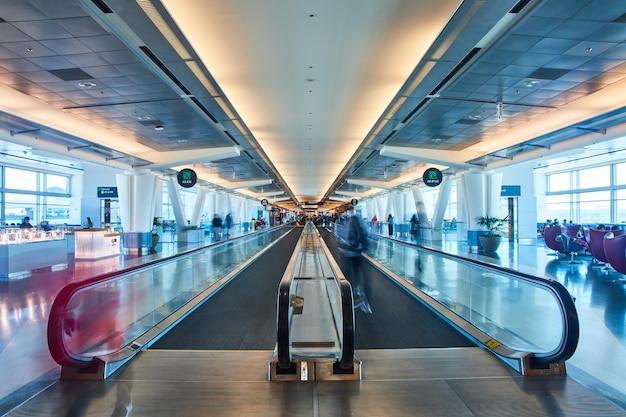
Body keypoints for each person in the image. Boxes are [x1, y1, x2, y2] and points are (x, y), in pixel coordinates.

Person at [337, 210, 371, 314]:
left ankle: (349, 296)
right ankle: (363, 297)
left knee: (347, 275)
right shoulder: (359, 220)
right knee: (358, 273)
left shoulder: (347, 221)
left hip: (348, 252)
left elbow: (341, 236)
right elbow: (366, 233)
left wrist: (343, 245)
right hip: (358, 252)